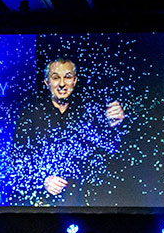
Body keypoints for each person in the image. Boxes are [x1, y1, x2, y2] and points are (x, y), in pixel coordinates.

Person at [11, 56, 125, 206]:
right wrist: (42, 180)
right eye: (55, 78)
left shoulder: (88, 113)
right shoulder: (31, 115)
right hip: (43, 204)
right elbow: (16, 161)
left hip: (81, 203)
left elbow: (109, 152)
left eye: (68, 77)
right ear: (47, 82)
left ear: (75, 81)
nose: (62, 84)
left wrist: (114, 126)